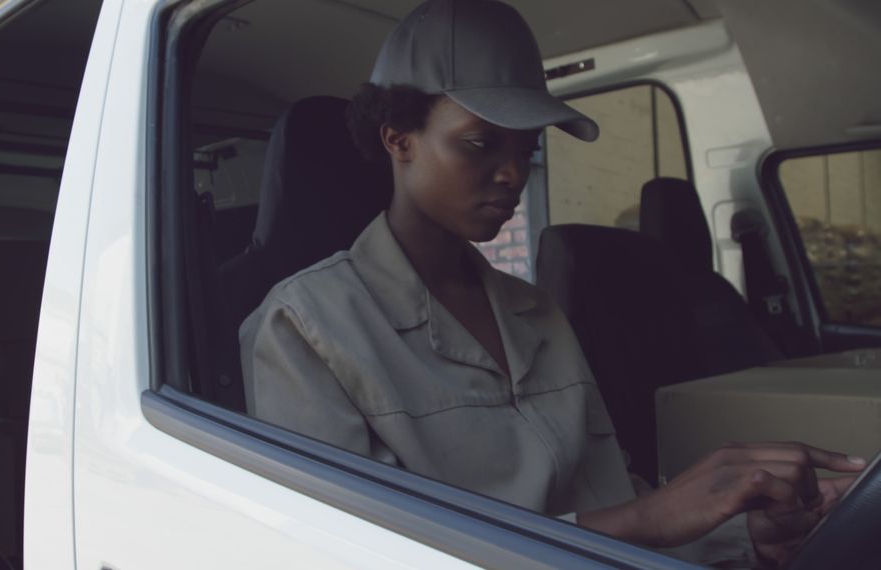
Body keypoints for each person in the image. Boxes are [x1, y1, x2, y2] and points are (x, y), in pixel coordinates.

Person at [239, 0, 865, 566]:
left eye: (528, 149)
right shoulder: (304, 327)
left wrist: (744, 535)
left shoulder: (536, 311)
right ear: (399, 139)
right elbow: (358, 553)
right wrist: (650, 518)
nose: (512, 173)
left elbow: (611, 498)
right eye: (481, 143)